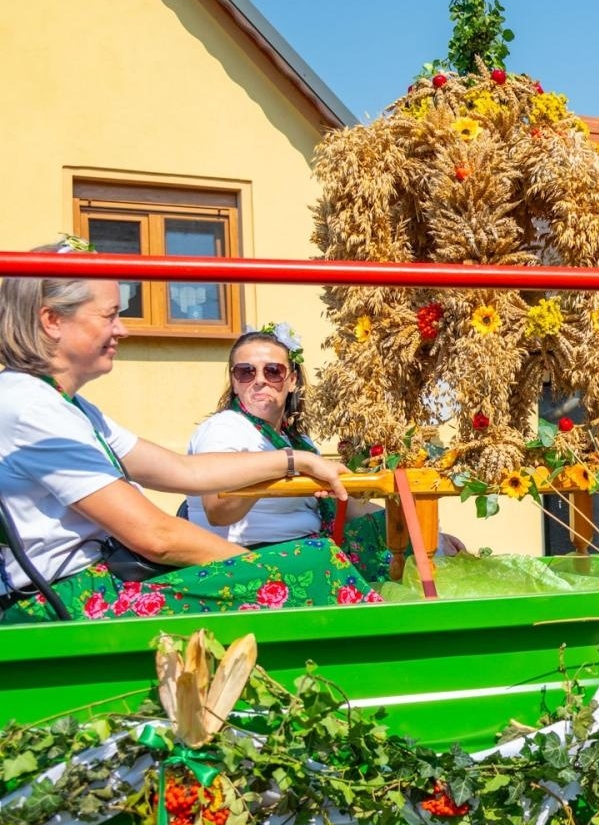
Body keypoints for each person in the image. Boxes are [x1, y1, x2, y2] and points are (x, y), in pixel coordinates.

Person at [0, 243, 380, 622]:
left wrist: (297, 459)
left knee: (315, 559)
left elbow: (184, 472)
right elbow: (155, 536)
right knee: (314, 565)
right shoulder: (33, 407)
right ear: (52, 321)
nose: (123, 329)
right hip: (67, 598)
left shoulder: (67, 406)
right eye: (109, 315)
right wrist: (262, 568)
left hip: (104, 578)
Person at [186, 324, 407, 585]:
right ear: (235, 383)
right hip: (248, 557)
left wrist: (417, 531)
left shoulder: (298, 441)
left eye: (273, 371)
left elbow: (343, 503)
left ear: (291, 381)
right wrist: (290, 464)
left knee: (409, 545)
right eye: (246, 372)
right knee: (327, 558)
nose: (259, 380)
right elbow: (218, 511)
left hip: (305, 549)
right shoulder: (225, 427)